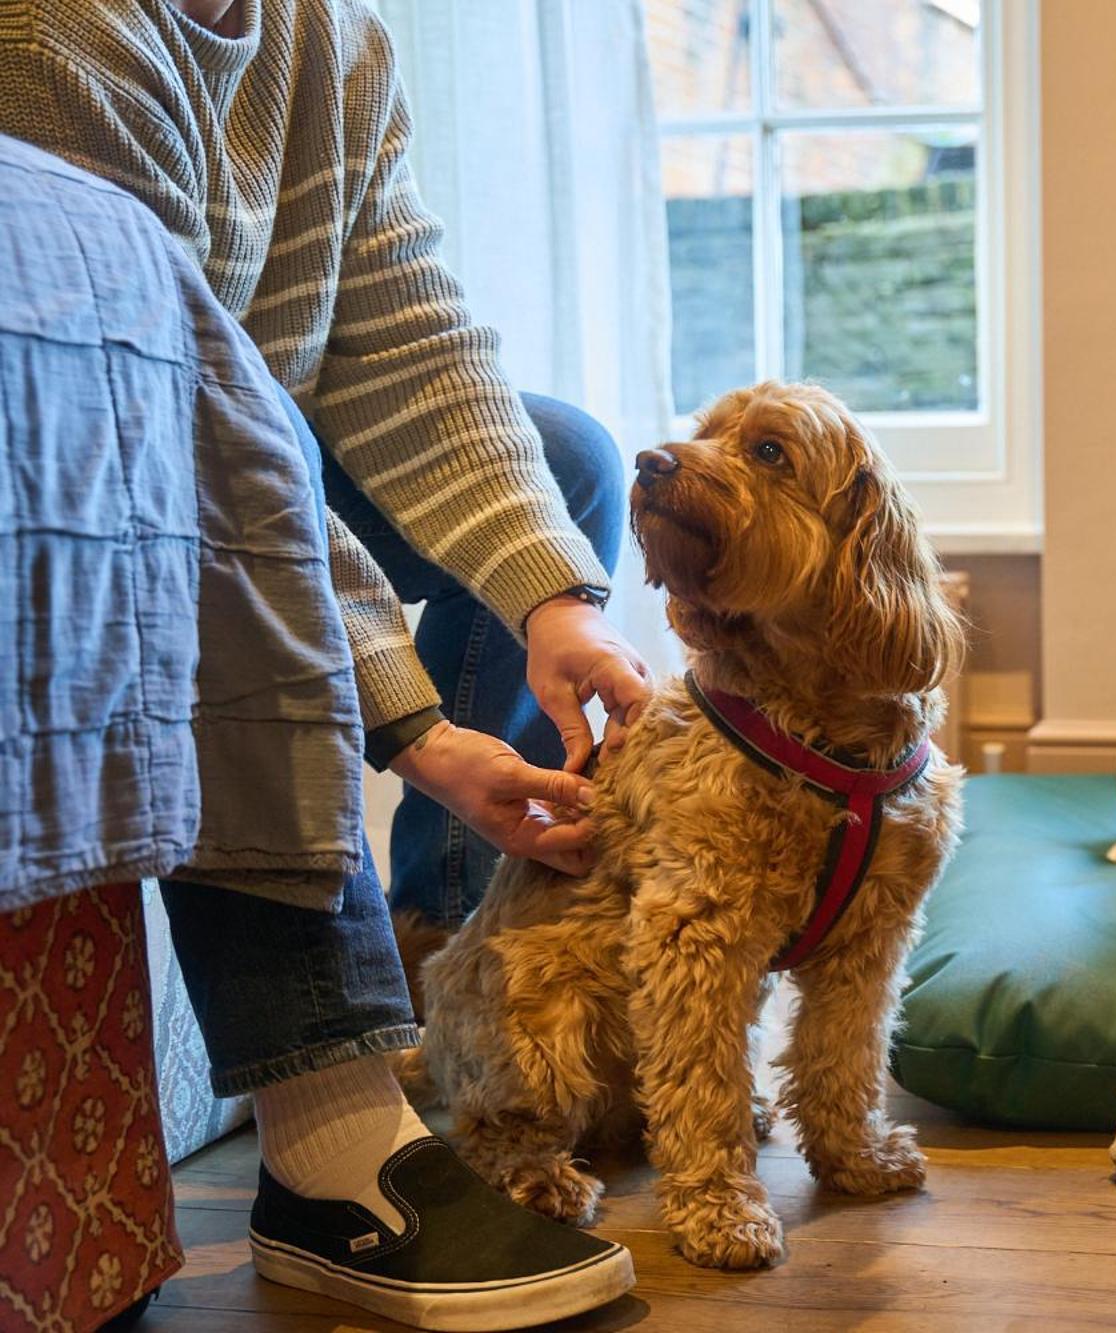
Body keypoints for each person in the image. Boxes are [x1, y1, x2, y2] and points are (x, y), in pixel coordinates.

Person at [0, 0, 655, 1325]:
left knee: (569, 453)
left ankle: (474, 999)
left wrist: (554, 598)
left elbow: (405, 328)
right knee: (266, 458)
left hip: (247, 432)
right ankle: (332, 1146)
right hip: (124, 448)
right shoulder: (60, 36)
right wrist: (414, 724)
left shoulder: (331, 38)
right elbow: (189, 413)